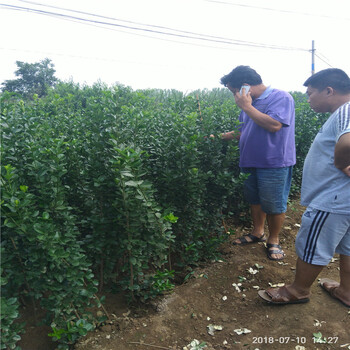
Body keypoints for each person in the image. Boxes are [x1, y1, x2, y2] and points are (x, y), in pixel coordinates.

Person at [258, 68, 350, 307]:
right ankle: (347, 291)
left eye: (310, 94)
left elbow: (348, 141)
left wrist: (341, 163)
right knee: (348, 246)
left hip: (333, 198)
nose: (308, 99)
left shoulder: (346, 110)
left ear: (329, 91)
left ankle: (297, 291)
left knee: (314, 243)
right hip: (345, 199)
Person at [219, 65, 296, 261]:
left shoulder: (280, 97)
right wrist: (221, 136)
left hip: (273, 162)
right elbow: (245, 130)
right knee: (255, 200)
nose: (234, 96)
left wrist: (246, 106)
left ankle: (274, 239)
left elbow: (274, 125)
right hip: (249, 160)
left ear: (245, 87)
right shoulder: (249, 104)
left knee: (274, 204)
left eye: (234, 91)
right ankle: (257, 232)